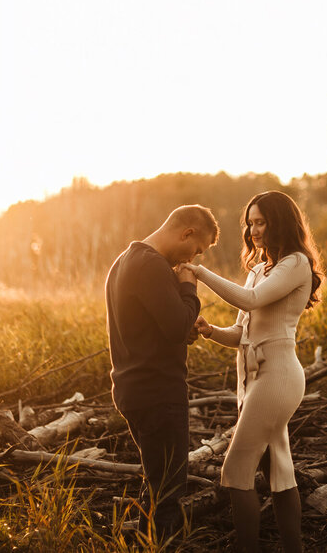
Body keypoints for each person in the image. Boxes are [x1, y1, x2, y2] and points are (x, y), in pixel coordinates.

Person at [184, 190, 323, 553]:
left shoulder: (296, 264)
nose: (253, 231)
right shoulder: (260, 270)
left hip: (278, 376)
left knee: (235, 472)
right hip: (252, 378)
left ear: (280, 222)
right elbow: (240, 332)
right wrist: (211, 331)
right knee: (279, 470)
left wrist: (198, 272)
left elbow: (252, 301)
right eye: (250, 223)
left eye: (260, 222)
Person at [105, 204, 219, 542]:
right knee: (168, 492)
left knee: (156, 482)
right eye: (197, 249)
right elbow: (173, 327)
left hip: (132, 389)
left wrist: (186, 326)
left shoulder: (124, 260)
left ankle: (144, 542)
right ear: (187, 233)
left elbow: (155, 326)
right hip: (158, 393)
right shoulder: (153, 265)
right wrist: (189, 289)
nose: (194, 260)